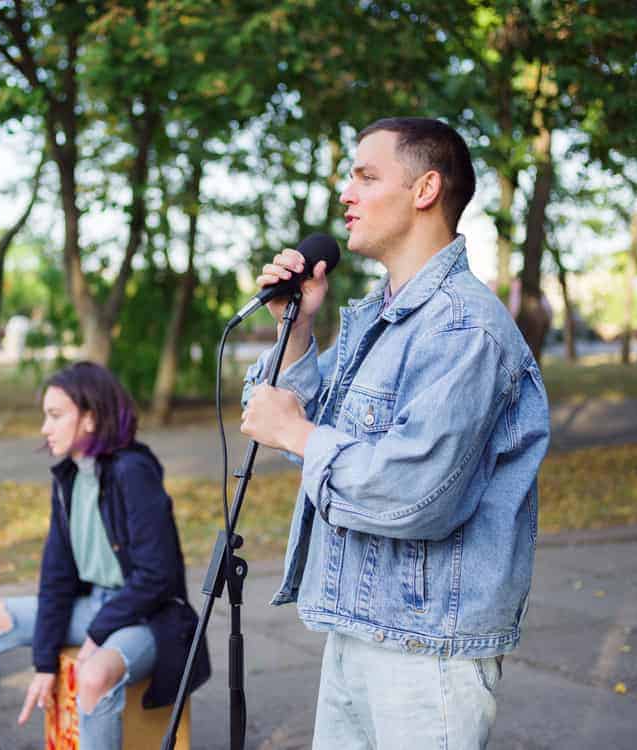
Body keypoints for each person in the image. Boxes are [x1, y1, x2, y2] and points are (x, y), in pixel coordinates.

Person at [240, 117, 550, 749]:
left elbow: (414, 493)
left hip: (427, 653)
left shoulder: (465, 330)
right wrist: (295, 330)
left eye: (365, 176)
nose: (345, 194)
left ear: (425, 189)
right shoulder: (378, 319)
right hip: (355, 631)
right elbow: (277, 416)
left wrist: (300, 435)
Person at [0, 361, 209, 750]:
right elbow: (56, 578)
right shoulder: (69, 479)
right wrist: (42, 664)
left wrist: (96, 633)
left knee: (93, 676)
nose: (45, 428)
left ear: (90, 419)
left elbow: (156, 575)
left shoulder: (133, 471)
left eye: (56, 416)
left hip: (151, 618)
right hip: (96, 607)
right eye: (46, 416)